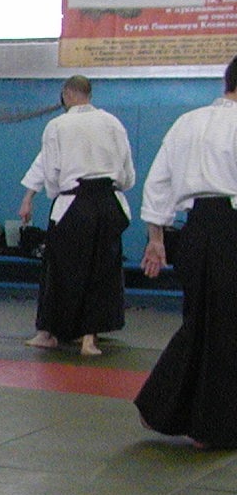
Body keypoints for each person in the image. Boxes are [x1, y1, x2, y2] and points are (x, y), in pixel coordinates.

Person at [134, 57, 237, 448]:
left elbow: (158, 182)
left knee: (203, 320)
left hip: (194, 229)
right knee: (221, 326)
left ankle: (165, 408)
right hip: (229, 228)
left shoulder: (187, 122)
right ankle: (200, 423)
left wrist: (156, 238)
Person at [17, 75, 134, 357]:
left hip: (74, 203)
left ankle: (48, 332)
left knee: (60, 268)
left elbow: (50, 168)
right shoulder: (113, 123)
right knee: (102, 269)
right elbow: (127, 171)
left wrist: (40, 195)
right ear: (89, 94)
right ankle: (88, 339)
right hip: (109, 202)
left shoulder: (58, 125)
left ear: (67, 94)